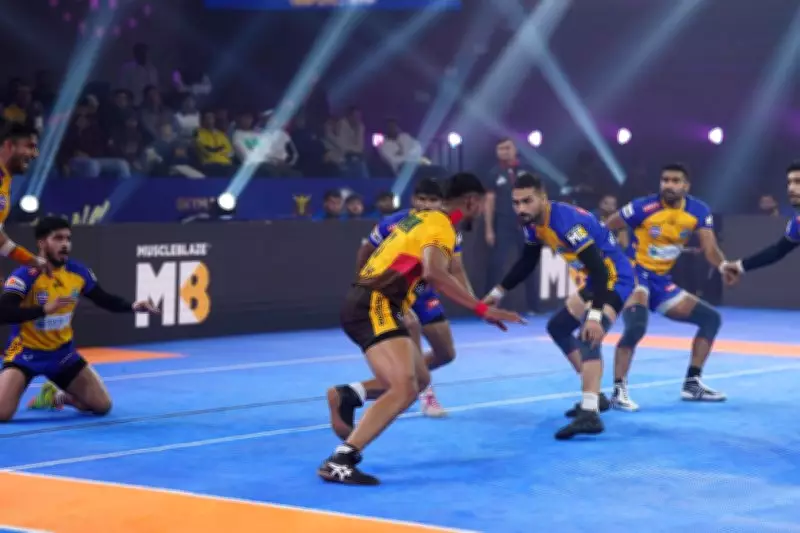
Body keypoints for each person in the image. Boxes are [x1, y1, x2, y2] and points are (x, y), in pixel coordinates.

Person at [319, 172, 525, 485]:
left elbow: (439, 269)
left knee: (419, 379)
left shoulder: (426, 220)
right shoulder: (442, 224)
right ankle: (341, 460)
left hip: (378, 302)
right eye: (482, 204)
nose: (483, 211)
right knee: (403, 388)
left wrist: (476, 306)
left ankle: (349, 395)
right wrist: (482, 309)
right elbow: (434, 273)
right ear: (471, 201)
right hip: (376, 304)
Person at [483, 173, 634, 440]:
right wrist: (498, 292)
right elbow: (528, 261)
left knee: (589, 335)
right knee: (558, 327)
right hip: (595, 278)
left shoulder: (567, 223)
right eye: (516, 203)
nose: (521, 208)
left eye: (527, 201)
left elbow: (601, 271)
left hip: (613, 279)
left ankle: (590, 414)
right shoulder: (532, 223)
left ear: (543, 198)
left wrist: (594, 316)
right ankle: (595, 395)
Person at [0, 217, 159, 420]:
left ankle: (56, 397)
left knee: (102, 406)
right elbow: (3, 313)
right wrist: (43, 310)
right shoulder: (25, 275)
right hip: (24, 354)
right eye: (58, 238)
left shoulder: (78, 272)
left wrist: (133, 306)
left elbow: (103, 299)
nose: (65, 244)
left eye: (68, 238)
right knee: (2, 413)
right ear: (41, 243)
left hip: (62, 355)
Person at [602, 164, 729, 411]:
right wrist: (614, 260)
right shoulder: (642, 207)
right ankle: (618, 390)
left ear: (686, 186)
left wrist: (724, 266)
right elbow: (608, 226)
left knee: (711, 319)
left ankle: (692, 384)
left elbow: (710, 248)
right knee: (636, 326)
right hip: (635, 274)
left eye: (675, 180)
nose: (669, 185)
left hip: (661, 282)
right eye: (665, 180)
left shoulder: (698, 210)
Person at [350, 178, 474, 418]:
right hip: (393, 292)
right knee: (411, 325)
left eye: (433, 200)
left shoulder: (448, 228)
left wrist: (473, 301)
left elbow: (456, 268)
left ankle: (392, 382)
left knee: (446, 354)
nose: (426, 205)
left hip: (424, 293)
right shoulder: (394, 223)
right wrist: (364, 287)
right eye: (422, 199)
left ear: (443, 203)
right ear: (413, 200)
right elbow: (365, 252)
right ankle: (425, 392)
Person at [722, 162, 800, 278]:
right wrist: (739, 266)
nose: (791, 188)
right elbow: (778, 251)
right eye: (789, 182)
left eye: (798, 182)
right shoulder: (797, 223)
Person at [0, 123, 51, 275]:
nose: (35, 154)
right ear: (9, 145)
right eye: (29, 146)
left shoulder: (5, 180)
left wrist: (32, 260)